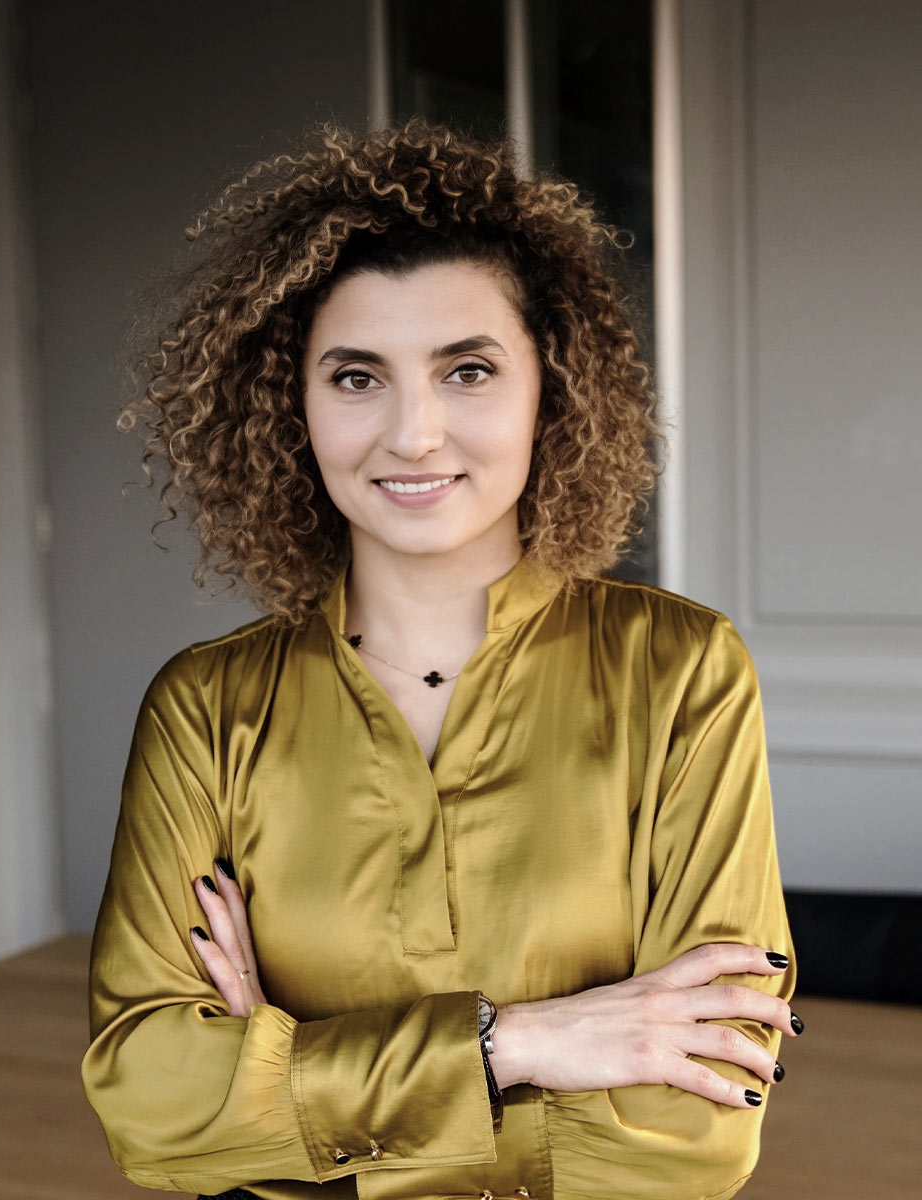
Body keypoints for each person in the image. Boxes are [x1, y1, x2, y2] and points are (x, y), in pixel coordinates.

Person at [81, 119, 799, 1200]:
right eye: (357, 377)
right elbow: (151, 1104)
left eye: (466, 370)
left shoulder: (680, 672)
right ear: (293, 405)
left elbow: (694, 1130)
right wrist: (517, 1044)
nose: (413, 433)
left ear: (549, 389)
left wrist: (287, 1079)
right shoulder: (206, 709)